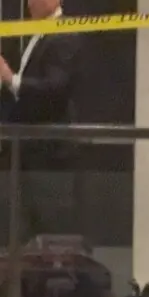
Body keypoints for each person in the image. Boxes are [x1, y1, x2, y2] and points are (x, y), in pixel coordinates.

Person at [0, 0, 82, 238]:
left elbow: (54, 88)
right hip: (27, 150)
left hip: (48, 153)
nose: (29, 4)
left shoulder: (64, 34)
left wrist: (11, 79)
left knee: (49, 225)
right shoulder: (38, 35)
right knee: (25, 225)